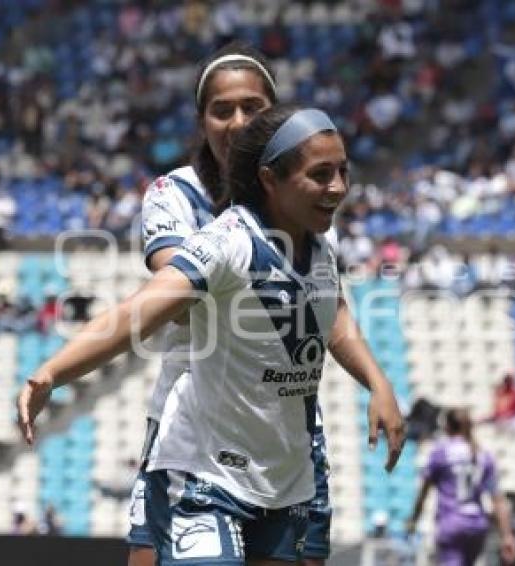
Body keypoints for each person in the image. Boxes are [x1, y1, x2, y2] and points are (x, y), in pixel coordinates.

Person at [17, 104, 405, 565]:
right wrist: (52, 372)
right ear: (269, 179)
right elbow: (138, 313)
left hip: (287, 481)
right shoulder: (230, 241)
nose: (338, 187)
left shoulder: (320, 245)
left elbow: (331, 317)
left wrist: (378, 384)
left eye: (343, 171)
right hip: (208, 477)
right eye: (321, 175)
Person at [130, 42, 402, 566]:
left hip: (283, 432)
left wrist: (378, 381)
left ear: (274, 116)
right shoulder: (174, 194)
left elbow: (329, 309)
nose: (237, 123)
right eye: (221, 109)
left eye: (253, 108)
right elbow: (177, 290)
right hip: (193, 430)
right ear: (201, 119)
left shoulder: (304, 196)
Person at [406, 408, 515, 566]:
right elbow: (498, 499)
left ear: (447, 427)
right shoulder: (484, 456)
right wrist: (507, 535)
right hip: (477, 526)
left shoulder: (440, 453)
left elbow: (424, 492)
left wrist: (414, 519)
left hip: (451, 523)